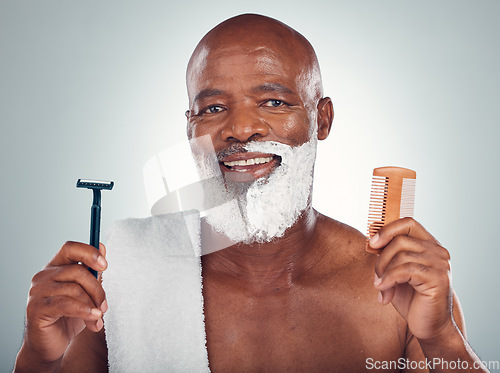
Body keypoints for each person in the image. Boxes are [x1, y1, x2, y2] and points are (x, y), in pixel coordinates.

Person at [14, 14, 488, 372]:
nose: (240, 129)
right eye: (214, 107)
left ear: (321, 119)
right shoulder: (120, 281)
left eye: (274, 102)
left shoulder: (395, 290)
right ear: (191, 129)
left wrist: (442, 337)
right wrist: (39, 354)